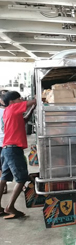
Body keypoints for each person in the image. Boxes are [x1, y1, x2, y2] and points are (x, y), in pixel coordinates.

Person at [0, 91, 36, 219]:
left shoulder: (8, 112)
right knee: (21, 178)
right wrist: (37, 99)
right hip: (14, 149)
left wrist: (32, 109)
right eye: (18, 98)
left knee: (4, 176)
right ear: (12, 101)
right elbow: (32, 101)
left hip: (7, 148)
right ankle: (10, 206)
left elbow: (24, 120)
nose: (21, 100)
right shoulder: (13, 107)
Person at [0, 90, 8, 194]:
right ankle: (4, 185)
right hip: (4, 142)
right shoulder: (7, 111)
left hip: (5, 142)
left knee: (3, 166)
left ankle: (4, 185)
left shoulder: (8, 110)